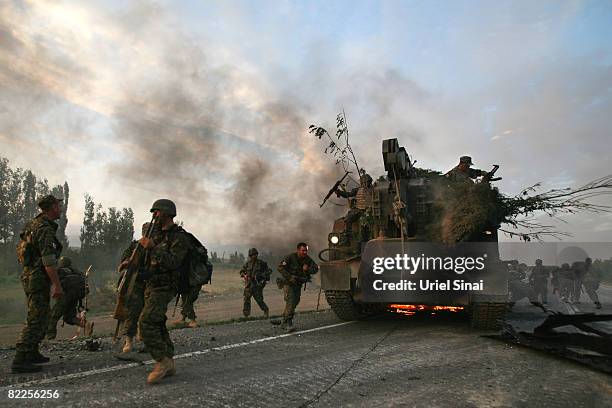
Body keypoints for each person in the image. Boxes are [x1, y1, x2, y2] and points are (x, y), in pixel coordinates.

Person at [139, 199, 191, 384]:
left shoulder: (179, 237)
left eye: (157, 212)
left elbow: (173, 262)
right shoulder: (157, 234)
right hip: (152, 284)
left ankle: (162, 361)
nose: (154, 215)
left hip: (166, 286)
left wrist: (153, 247)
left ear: (167, 214)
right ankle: (169, 360)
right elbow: (148, 258)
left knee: (146, 322)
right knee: (157, 322)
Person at [12, 195, 64, 373]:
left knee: (41, 314)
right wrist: (57, 285)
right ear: (51, 208)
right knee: (36, 317)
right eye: (58, 205)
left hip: (30, 275)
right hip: (38, 278)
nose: (60, 208)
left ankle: (32, 352)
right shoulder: (44, 229)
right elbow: (48, 261)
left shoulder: (33, 224)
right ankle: (20, 359)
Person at [118, 222, 159, 353]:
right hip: (136, 282)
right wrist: (127, 262)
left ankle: (147, 340)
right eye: (147, 232)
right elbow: (124, 261)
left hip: (152, 282)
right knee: (132, 312)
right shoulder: (135, 246)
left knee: (149, 313)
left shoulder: (157, 247)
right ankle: (129, 340)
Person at [46, 256, 93, 340]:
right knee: (69, 317)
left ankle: (50, 337)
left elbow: (52, 282)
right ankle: (86, 324)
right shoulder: (76, 271)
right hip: (75, 297)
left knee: (53, 316)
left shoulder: (59, 271)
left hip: (65, 296)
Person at [275, 242, 318, 332]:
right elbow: (280, 267)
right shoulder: (290, 257)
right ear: (298, 250)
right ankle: (288, 323)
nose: (305, 252)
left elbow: (315, 268)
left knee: (295, 301)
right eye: (303, 250)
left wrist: (307, 269)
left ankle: (284, 320)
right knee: (291, 301)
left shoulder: (307, 259)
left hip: (297, 284)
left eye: (306, 251)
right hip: (288, 283)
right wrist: (289, 277)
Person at [334, 170, 374, 242]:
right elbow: (348, 194)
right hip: (357, 210)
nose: (364, 184)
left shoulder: (373, 189)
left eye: (366, 182)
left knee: (363, 223)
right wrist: (339, 192)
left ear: (369, 182)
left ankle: (363, 241)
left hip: (368, 211)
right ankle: (347, 237)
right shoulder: (357, 190)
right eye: (363, 182)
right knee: (348, 219)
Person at [240, 248, 271, 318]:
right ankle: (246, 314)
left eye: (255, 254)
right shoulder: (248, 263)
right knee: (246, 299)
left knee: (259, 300)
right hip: (249, 284)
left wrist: (262, 276)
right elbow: (242, 271)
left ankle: (266, 310)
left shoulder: (262, 263)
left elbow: (269, 271)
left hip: (257, 284)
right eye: (252, 255)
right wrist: (244, 275)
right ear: (250, 256)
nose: (254, 256)